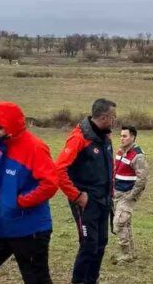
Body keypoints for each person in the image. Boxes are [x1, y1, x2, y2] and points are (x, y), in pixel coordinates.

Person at [0, 102, 58, 284]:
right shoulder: (3, 147)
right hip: (4, 223)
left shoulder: (35, 148)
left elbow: (50, 183)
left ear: (12, 126)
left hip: (30, 229)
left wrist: (21, 202)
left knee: (36, 279)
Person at [56, 98, 116, 284]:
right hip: (86, 202)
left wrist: (111, 193)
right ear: (105, 117)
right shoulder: (79, 138)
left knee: (101, 243)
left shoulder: (106, 137)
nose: (115, 120)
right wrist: (77, 195)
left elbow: (108, 167)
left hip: (103, 200)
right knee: (89, 244)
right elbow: (59, 170)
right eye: (113, 116)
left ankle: (92, 280)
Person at [112, 125, 149, 263]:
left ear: (132, 137)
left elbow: (143, 178)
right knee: (125, 223)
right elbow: (115, 170)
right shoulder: (120, 152)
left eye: (125, 136)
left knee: (119, 223)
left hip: (127, 194)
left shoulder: (138, 155)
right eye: (121, 135)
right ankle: (131, 253)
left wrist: (131, 195)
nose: (121, 138)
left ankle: (126, 254)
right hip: (117, 193)